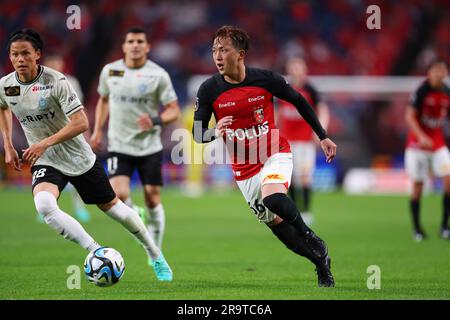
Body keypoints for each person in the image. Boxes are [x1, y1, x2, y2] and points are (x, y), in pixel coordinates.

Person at [0, 28, 173, 281]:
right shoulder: (6, 85)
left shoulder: (56, 82)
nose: (20, 59)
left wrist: (43, 143)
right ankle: (95, 250)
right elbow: (3, 106)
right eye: (15, 54)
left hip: (77, 157)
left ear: (37, 54)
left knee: (113, 208)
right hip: (47, 161)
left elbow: (81, 123)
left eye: (25, 53)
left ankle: (154, 252)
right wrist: (8, 144)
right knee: (44, 204)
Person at [193, 25, 337, 287]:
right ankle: (320, 262)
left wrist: (322, 135)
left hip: (274, 151)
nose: (217, 56)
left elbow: (299, 101)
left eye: (223, 50)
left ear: (240, 54)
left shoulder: (266, 79)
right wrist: (214, 132)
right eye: (214, 50)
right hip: (244, 170)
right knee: (280, 230)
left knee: (273, 196)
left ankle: (310, 234)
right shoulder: (208, 89)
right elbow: (196, 133)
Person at [90, 27, 180, 249]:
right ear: (124, 46)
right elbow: (103, 100)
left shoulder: (158, 75)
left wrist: (156, 120)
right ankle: (134, 213)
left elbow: (174, 110)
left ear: (148, 46)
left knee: (152, 198)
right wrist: (97, 130)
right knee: (117, 195)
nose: (136, 45)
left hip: (148, 146)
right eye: (131, 41)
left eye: (140, 41)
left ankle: (155, 248)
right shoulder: (110, 71)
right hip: (119, 144)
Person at [277, 56, 330, 225]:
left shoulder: (311, 91)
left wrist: (320, 132)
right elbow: (277, 113)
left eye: (299, 68)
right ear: (289, 70)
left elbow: (323, 111)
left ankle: (306, 211)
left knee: (305, 176)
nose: (296, 71)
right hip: (286, 140)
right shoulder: (283, 89)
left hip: (305, 141)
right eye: (294, 68)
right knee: (290, 176)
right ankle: (295, 211)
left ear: (305, 70)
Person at [405, 59, 450, 242]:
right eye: (435, 70)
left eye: (442, 70)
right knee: (418, 188)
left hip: (438, 144)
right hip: (417, 146)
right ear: (429, 73)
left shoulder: (447, 93)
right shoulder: (421, 91)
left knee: (449, 183)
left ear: (446, 73)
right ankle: (417, 229)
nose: (439, 73)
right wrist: (421, 136)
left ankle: (444, 227)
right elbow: (409, 116)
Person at [42, 54, 90, 223]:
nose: (54, 64)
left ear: (62, 64)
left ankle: (79, 207)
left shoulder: (71, 82)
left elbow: (80, 112)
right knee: (49, 172)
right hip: (46, 136)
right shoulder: (39, 84)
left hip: (71, 135)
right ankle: (48, 208)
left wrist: (85, 134)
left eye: (57, 61)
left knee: (78, 172)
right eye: (51, 62)